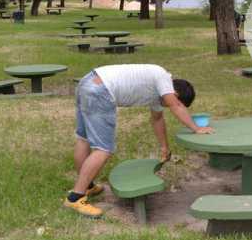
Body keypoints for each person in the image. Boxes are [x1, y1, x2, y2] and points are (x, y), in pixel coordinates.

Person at [64, 64, 213, 218]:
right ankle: (75, 197)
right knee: (103, 149)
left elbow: (157, 119)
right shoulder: (163, 78)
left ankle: (87, 186)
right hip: (100, 91)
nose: (168, 106)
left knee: (84, 139)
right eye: (175, 102)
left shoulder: (158, 92)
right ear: (175, 94)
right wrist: (196, 128)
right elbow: (175, 105)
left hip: (88, 82)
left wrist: (164, 147)